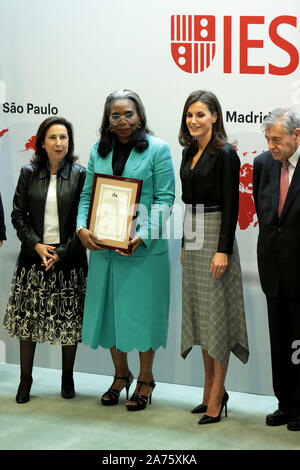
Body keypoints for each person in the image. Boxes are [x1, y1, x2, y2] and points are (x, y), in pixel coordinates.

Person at [77, 89, 175, 411]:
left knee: (143, 317)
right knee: (111, 315)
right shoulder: (97, 150)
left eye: (128, 114)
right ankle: (121, 375)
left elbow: (164, 198)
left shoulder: (158, 150)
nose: (122, 121)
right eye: (115, 115)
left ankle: (146, 380)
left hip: (143, 251)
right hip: (104, 249)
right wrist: (81, 228)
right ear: (107, 119)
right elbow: (87, 195)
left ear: (140, 116)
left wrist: (143, 235)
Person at [3, 117, 87, 403]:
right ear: (42, 142)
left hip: (69, 260)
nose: (59, 143)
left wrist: (61, 252)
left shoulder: (80, 175)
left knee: (68, 323)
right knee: (28, 323)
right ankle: (25, 380)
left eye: (64, 137)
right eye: (52, 137)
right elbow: (18, 215)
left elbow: (83, 222)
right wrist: (36, 246)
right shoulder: (28, 172)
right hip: (33, 258)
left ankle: (67, 377)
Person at [179, 90, 249, 425]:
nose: (194, 120)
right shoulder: (187, 151)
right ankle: (208, 388)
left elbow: (232, 206)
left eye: (201, 115)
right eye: (190, 114)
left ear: (215, 117)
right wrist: (182, 243)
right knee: (201, 318)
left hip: (216, 239)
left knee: (217, 315)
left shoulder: (226, 154)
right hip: (192, 238)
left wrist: (223, 249)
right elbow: (187, 204)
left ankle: (218, 393)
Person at [253, 108, 300, 431]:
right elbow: (265, 214)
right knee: (280, 340)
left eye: (278, 139)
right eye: (269, 139)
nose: (272, 145)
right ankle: (284, 402)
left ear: (297, 136)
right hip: (273, 269)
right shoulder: (262, 165)